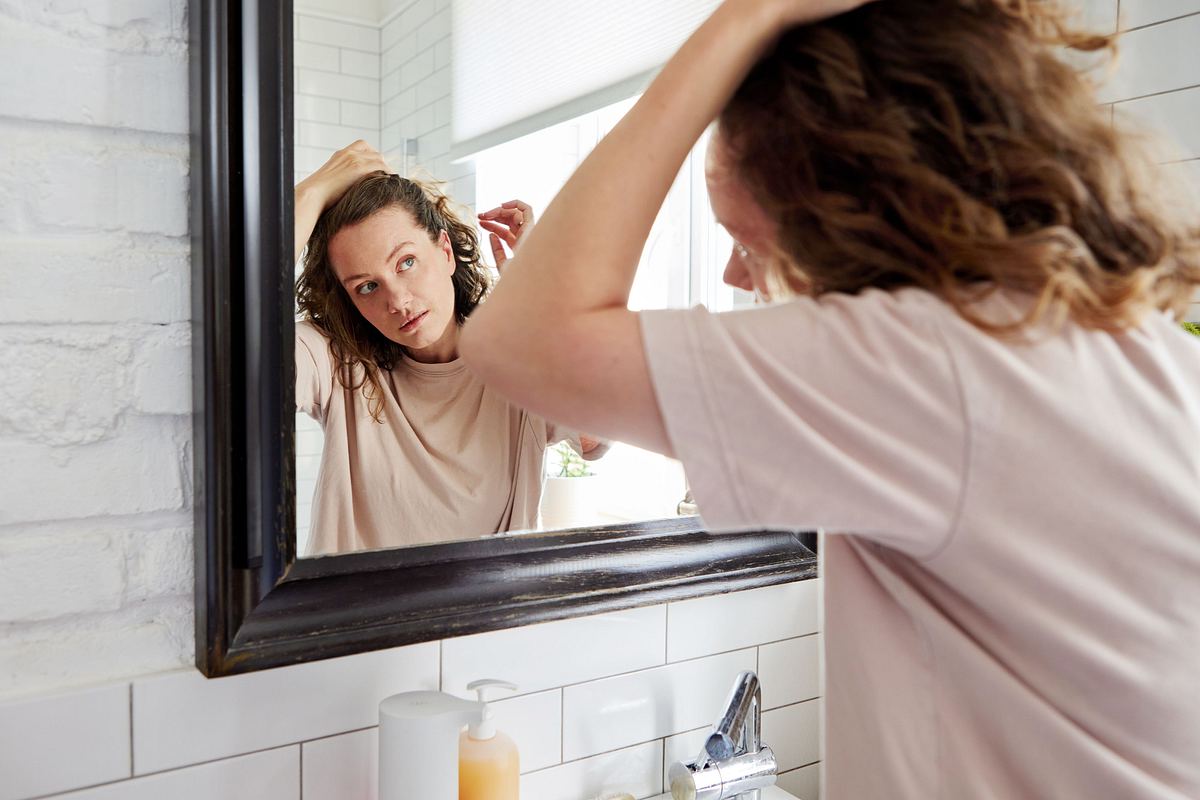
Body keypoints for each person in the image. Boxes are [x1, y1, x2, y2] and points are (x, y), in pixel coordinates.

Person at [459, 0, 1200, 797]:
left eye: (747, 239)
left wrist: (743, 20)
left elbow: (521, 343)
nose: (736, 278)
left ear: (846, 210)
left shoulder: (929, 368)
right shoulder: (1127, 340)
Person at [293, 144, 604, 556]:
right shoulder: (335, 359)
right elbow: (239, 354)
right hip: (353, 620)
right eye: (367, 286)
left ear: (444, 251)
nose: (398, 300)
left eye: (406, 262)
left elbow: (596, 437)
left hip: (492, 618)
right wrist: (310, 194)